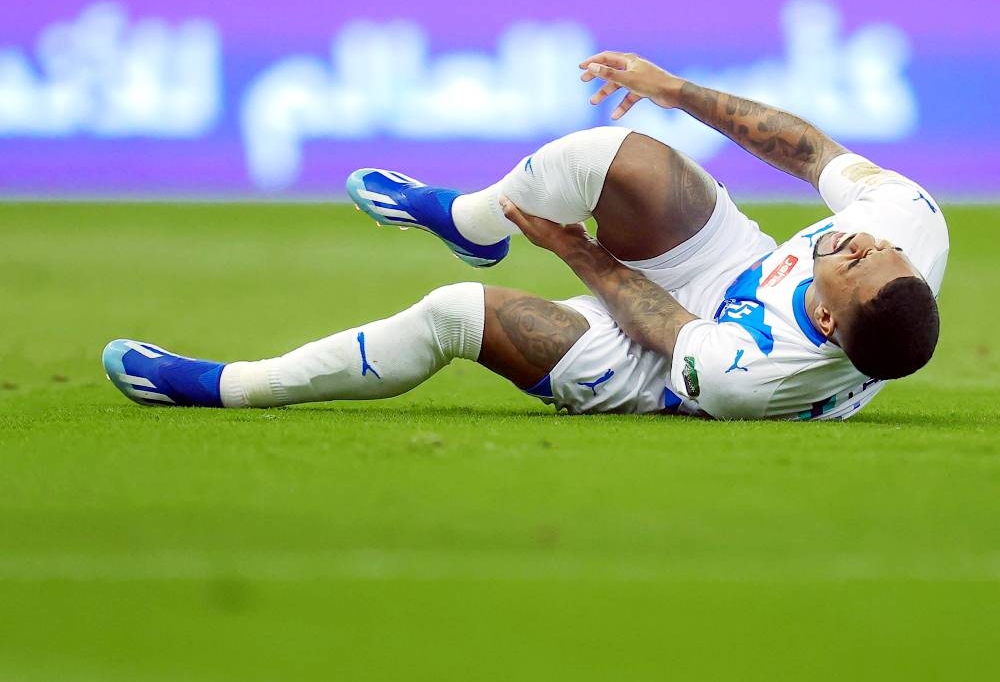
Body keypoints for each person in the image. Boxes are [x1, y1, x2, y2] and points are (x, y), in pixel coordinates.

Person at [103, 52, 949, 421]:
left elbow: (662, 324)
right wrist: (673, 90)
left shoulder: (749, 379)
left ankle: (230, 387)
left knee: (453, 315)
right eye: (878, 250)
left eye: (858, 264)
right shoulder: (906, 223)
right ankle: (474, 222)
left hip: (667, 365)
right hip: (740, 273)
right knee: (615, 155)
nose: (861, 243)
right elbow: (808, 152)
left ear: (828, 321)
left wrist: (576, 251)